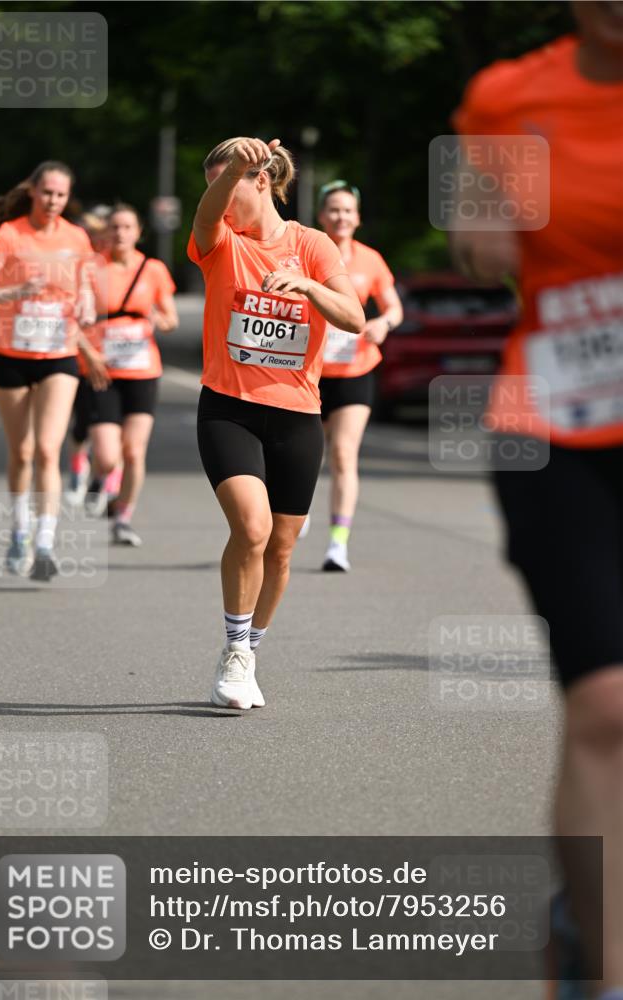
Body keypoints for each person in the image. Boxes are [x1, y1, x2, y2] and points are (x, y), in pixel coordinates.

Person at [452, 4, 623, 997]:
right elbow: (477, 239)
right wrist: (486, 229)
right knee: (605, 702)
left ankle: (580, 910)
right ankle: (602, 972)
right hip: (555, 427)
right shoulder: (506, 97)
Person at [188, 136, 364, 710]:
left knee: (282, 549)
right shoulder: (220, 242)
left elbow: (354, 317)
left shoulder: (312, 245)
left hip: (297, 415)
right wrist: (229, 172)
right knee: (252, 528)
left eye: (232, 183)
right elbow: (206, 214)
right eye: (215, 185)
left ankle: (250, 648)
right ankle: (235, 651)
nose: (221, 198)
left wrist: (309, 286)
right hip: (229, 409)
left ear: (262, 182)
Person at [0, 161, 96, 581]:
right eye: (47, 193)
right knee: (21, 451)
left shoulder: (76, 237)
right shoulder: (10, 234)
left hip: (59, 355)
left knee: (46, 449)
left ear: (67, 197)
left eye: (61, 194)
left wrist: (86, 303)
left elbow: (86, 285)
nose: (53, 201)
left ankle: (44, 542)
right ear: (33, 193)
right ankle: (20, 530)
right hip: (11, 356)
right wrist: (16, 291)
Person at [77, 203, 178, 546]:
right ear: (105, 232)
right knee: (108, 456)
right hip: (101, 372)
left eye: (127, 227)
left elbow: (171, 319)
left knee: (134, 452)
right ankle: (98, 475)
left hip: (142, 370)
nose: (120, 233)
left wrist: (158, 320)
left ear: (138, 232)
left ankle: (122, 518)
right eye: (114, 227)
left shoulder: (153, 269)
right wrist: (88, 354)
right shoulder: (90, 268)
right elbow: (70, 317)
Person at [315, 180, 402, 571]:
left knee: (343, 453)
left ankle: (338, 543)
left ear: (358, 218)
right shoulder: (307, 251)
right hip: (309, 373)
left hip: (356, 369)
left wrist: (383, 323)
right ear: (322, 215)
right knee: (307, 454)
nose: (341, 216)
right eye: (334, 209)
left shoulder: (370, 260)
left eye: (348, 210)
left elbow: (394, 308)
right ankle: (296, 513)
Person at [65, 206, 113, 508]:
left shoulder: (112, 266)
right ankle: (77, 467)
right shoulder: (75, 265)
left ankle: (102, 480)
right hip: (78, 357)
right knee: (82, 424)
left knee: (109, 428)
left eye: (98, 234)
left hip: (114, 361)